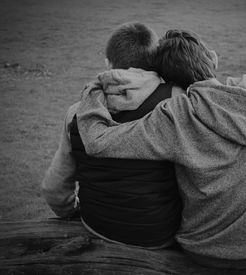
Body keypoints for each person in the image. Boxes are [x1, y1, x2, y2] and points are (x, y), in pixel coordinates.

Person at [76, 29, 246, 269]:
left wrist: (95, 89)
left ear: (172, 84)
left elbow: (97, 140)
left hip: (201, 249)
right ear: (212, 58)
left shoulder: (175, 114)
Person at [41, 22, 184, 249]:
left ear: (108, 64)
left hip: (96, 225)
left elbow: (54, 189)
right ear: (156, 63)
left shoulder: (77, 112)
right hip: (158, 234)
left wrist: (72, 212)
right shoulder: (177, 100)